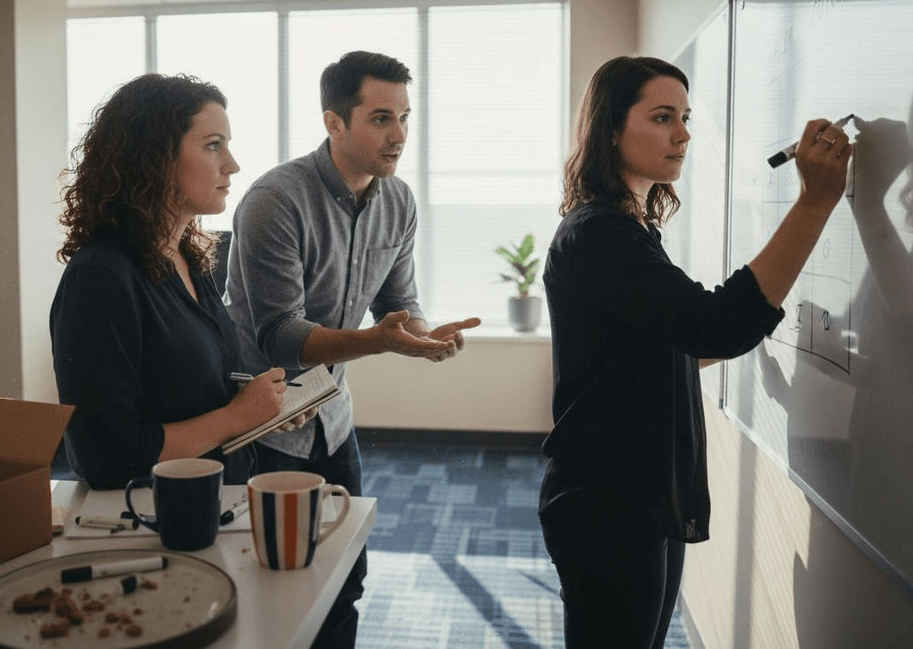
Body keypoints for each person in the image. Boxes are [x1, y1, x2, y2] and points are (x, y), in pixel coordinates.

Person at [538, 55, 852, 648]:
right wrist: (815, 202)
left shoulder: (630, 228)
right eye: (662, 117)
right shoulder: (600, 234)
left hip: (642, 495)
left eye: (684, 117)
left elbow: (656, 345)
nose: (682, 133)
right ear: (610, 127)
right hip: (608, 503)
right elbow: (716, 326)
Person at [225, 50, 481, 648]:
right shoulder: (274, 200)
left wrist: (422, 333)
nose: (399, 136)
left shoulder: (399, 201)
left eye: (405, 118)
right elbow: (280, 336)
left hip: (333, 420)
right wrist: (382, 342)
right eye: (381, 118)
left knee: (346, 575)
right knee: (274, 586)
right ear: (333, 122)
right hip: (264, 423)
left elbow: (399, 299)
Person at [51, 74, 306, 490]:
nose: (232, 165)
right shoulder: (100, 277)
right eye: (212, 146)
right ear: (155, 158)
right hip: (151, 520)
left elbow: (197, 391)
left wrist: (262, 405)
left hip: (216, 499)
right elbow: (104, 454)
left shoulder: (188, 258)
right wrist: (236, 417)